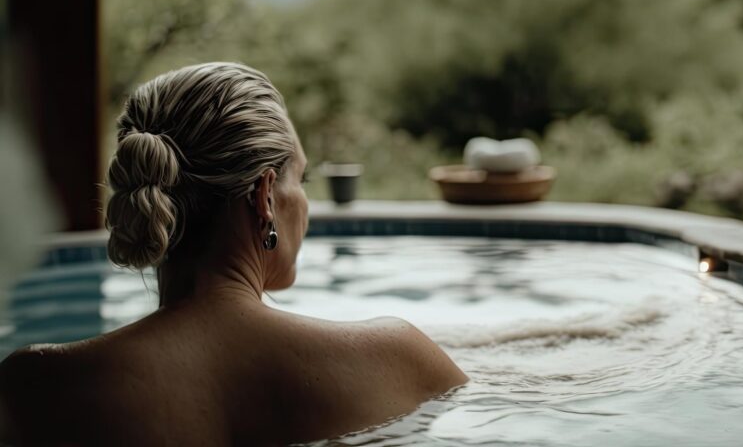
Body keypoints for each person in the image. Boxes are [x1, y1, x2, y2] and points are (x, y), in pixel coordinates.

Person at [0, 62, 467, 445]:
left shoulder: (33, 387)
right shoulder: (399, 359)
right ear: (265, 195)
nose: (304, 205)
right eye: (299, 181)